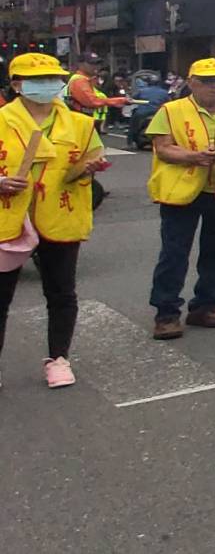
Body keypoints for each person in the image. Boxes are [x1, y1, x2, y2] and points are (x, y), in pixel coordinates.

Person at [0, 53, 107, 389]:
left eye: (53, 78)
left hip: (59, 215)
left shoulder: (80, 124)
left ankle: (59, 358)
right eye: (38, 79)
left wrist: (88, 168)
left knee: (61, 292)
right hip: (9, 218)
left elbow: (93, 156)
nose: (48, 85)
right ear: (17, 84)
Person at [145, 58, 215, 340]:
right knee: (174, 254)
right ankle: (167, 313)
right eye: (207, 81)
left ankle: (206, 306)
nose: (214, 87)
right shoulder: (171, 110)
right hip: (181, 191)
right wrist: (194, 157)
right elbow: (162, 148)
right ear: (191, 82)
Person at [66, 52, 124, 129]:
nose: (96, 66)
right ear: (81, 64)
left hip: (84, 122)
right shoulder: (79, 81)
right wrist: (119, 101)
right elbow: (92, 101)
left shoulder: (89, 79)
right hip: (78, 123)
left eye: (98, 63)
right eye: (92, 63)